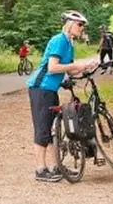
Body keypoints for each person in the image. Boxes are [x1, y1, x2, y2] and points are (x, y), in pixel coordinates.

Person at [27, 10, 98, 183]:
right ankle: (40, 169)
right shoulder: (59, 40)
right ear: (69, 24)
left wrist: (85, 67)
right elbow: (52, 67)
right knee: (43, 128)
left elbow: (70, 68)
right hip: (41, 88)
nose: (82, 28)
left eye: (83, 25)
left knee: (53, 129)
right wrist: (76, 65)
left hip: (50, 89)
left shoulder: (69, 43)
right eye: (79, 24)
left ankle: (55, 166)